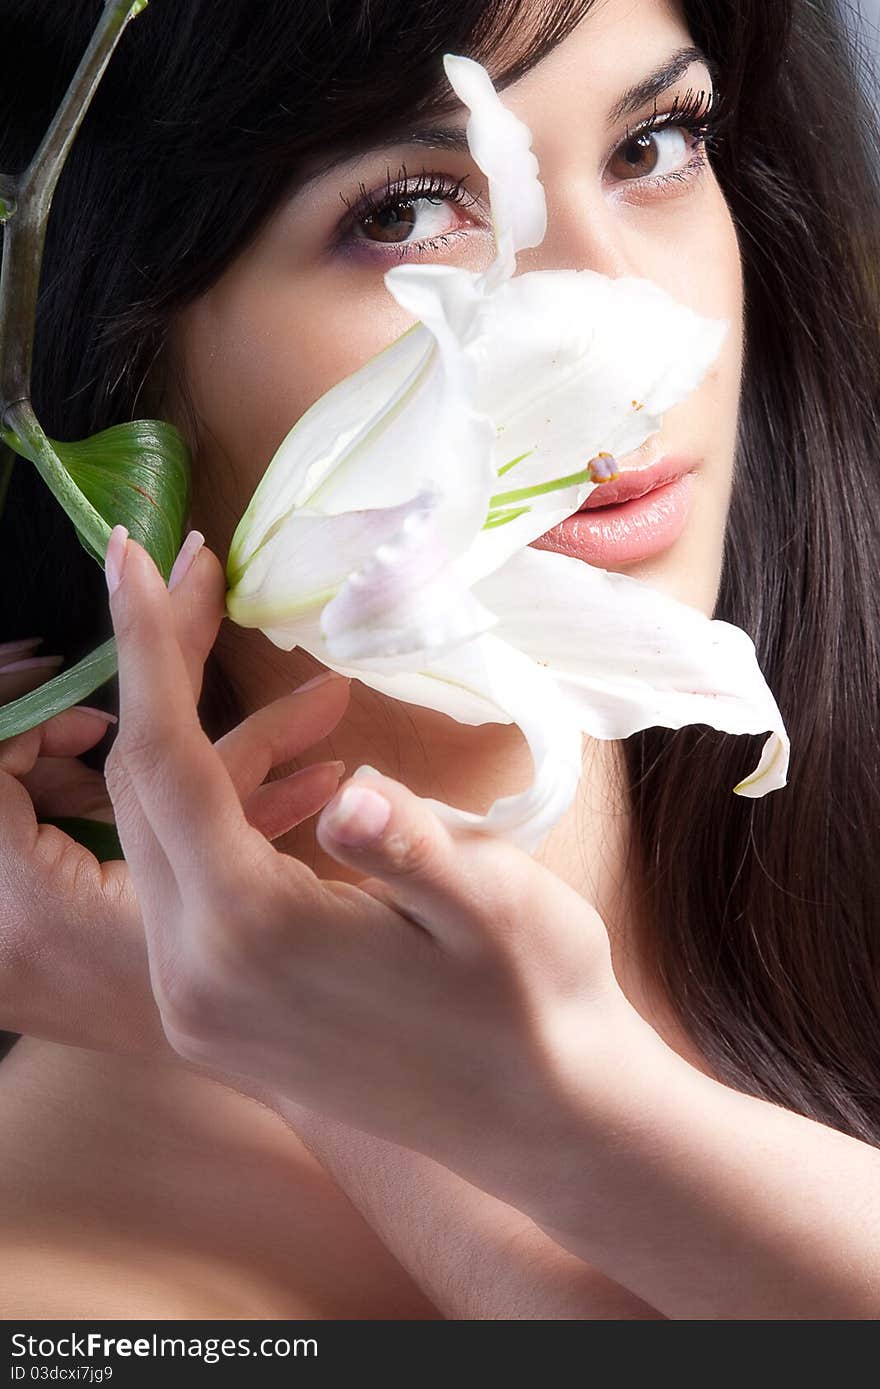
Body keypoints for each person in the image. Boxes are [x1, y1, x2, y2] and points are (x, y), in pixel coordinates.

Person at [0, 0, 879, 1320]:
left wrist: (310, 1050)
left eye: (656, 145)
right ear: (124, 372)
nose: (614, 316)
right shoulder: (67, 1293)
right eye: (409, 212)